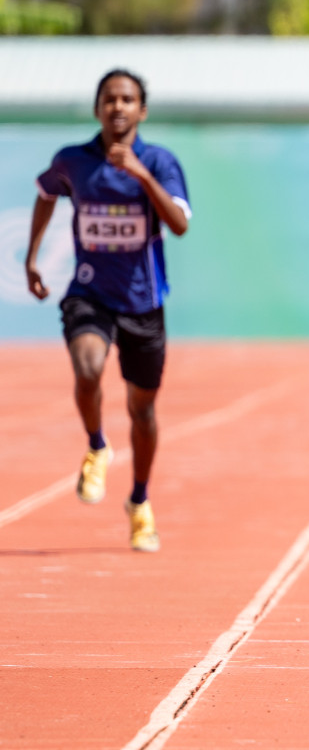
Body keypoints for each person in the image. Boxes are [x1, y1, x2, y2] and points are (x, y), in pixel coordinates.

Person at [24, 69, 192, 553]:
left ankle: (139, 501)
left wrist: (139, 175)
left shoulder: (160, 162)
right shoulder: (74, 161)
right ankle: (97, 445)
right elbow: (45, 194)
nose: (118, 107)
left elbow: (179, 224)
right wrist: (32, 257)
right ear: (98, 108)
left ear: (142, 110)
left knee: (143, 408)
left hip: (144, 301)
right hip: (91, 292)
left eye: (128, 99)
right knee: (88, 367)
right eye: (109, 99)